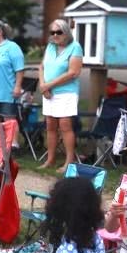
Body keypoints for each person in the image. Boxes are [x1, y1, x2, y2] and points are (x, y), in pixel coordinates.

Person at [39, 19, 84, 170]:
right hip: (49, 92)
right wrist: (43, 86)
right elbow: (42, 66)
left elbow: (73, 73)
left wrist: (49, 85)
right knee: (50, 125)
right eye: (52, 32)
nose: (55, 35)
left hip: (67, 92)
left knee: (65, 126)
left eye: (59, 32)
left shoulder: (75, 47)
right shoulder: (50, 47)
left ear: (66, 32)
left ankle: (69, 162)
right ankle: (50, 159)